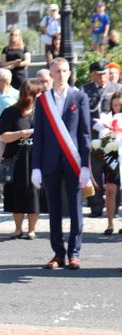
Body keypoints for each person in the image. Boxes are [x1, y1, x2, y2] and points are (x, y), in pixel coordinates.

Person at [31, 57, 91, 270]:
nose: (62, 75)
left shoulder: (80, 97)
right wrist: (36, 167)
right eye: (57, 71)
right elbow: (39, 135)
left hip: (74, 161)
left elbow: (85, 133)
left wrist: (85, 165)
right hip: (50, 161)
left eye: (65, 71)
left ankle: (74, 253)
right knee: (54, 209)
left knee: (75, 208)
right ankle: (58, 253)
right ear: (51, 74)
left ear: (70, 73)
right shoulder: (43, 100)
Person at [0, 80, 41, 239]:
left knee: (34, 193)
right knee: (16, 192)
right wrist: (21, 133)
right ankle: (18, 228)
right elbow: (2, 136)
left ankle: (32, 229)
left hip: (35, 158)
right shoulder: (10, 112)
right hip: (15, 158)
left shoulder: (41, 112)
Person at [81, 60, 119, 217]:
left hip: (113, 139)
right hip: (94, 138)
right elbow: (82, 114)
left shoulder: (117, 89)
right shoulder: (85, 90)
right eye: (98, 74)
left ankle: (114, 208)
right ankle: (96, 207)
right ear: (92, 75)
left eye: (105, 74)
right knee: (95, 174)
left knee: (114, 175)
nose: (102, 77)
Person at [95, 91, 122, 235]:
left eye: (120, 105)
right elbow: (101, 138)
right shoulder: (106, 119)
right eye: (115, 104)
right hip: (112, 158)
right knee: (110, 190)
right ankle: (110, 223)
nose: (117, 107)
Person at [0, 68, 19, 200]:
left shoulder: (17, 94)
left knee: (13, 159)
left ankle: (13, 188)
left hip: (13, 131)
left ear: (4, 81)